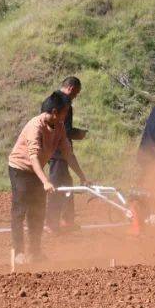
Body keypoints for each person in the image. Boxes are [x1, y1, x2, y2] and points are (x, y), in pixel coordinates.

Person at [8, 91, 89, 264]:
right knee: (20, 209)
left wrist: (82, 176)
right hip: (20, 169)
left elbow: (68, 153)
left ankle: (34, 252)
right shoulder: (35, 127)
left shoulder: (58, 126)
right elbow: (33, 157)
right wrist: (45, 181)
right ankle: (18, 253)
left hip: (37, 170)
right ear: (54, 112)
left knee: (38, 211)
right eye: (64, 112)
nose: (66, 116)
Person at [45, 76, 88, 234]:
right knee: (58, 186)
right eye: (76, 93)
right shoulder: (65, 104)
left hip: (53, 149)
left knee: (66, 183)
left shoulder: (50, 99)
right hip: (58, 151)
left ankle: (66, 220)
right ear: (71, 88)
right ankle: (53, 223)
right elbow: (66, 130)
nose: (75, 97)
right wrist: (80, 134)